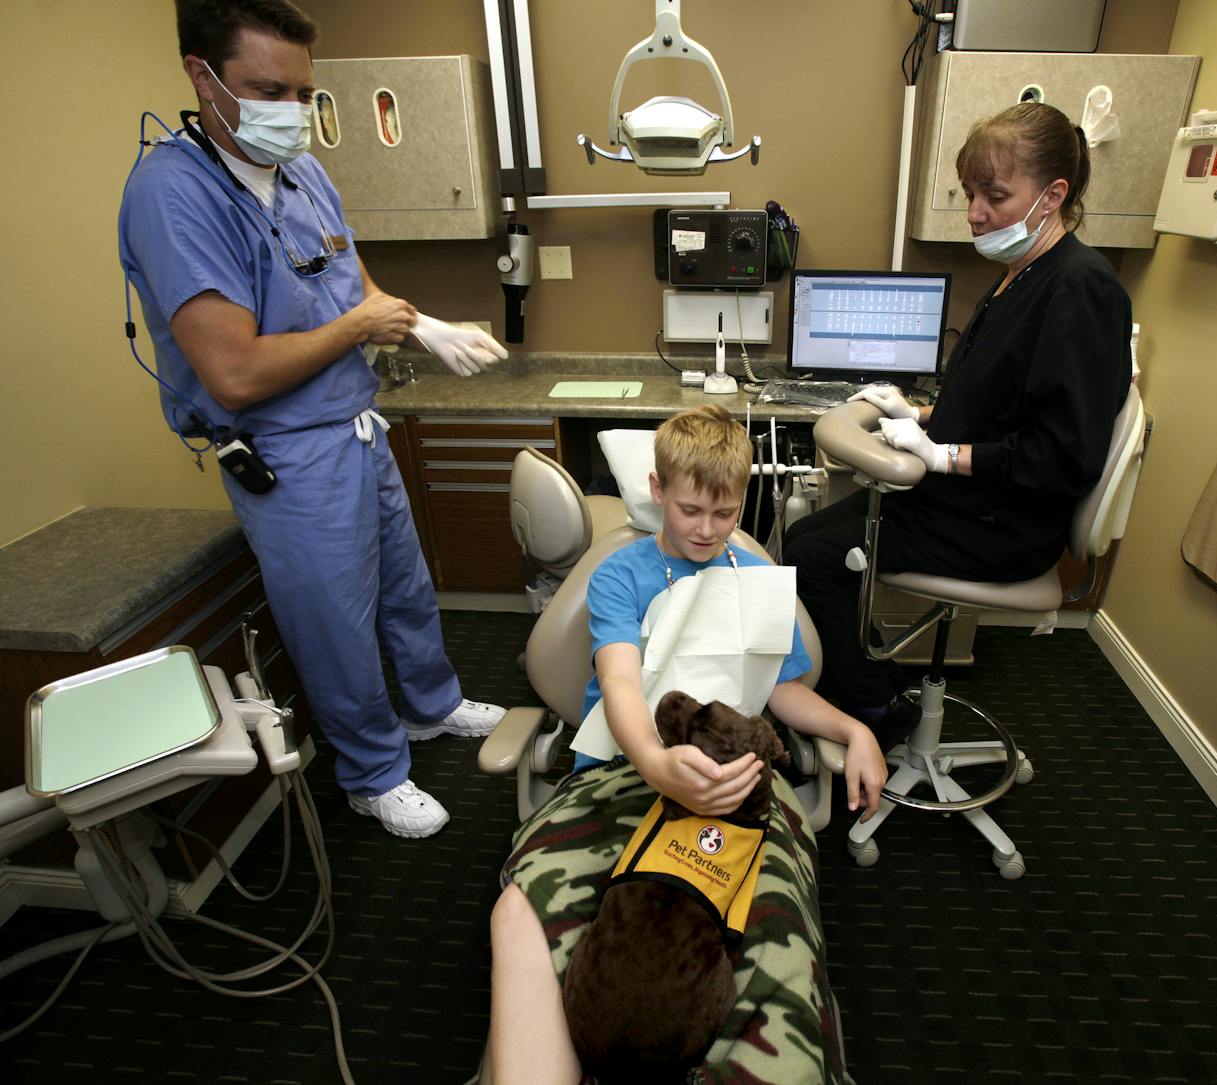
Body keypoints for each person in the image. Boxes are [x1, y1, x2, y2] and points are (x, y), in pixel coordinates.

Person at [118, 0, 513, 839]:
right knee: (333, 622)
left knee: (405, 591)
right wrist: (359, 328)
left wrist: (422, 324)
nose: (292, 113)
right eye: (269, 90)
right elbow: (232, 372)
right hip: (286, 451)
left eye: (304, 92)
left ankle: (432, 706)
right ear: (203, 75)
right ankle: (372, 771)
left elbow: (355, 284)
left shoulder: (303, 173)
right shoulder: (173, 194)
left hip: (355, 426)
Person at [487, 405, 887, 1084]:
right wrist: (655, 765)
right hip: (621, 772)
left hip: (740, 788)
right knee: (519, 910)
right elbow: (620, 683)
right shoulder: (623, 577)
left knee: (772, 932)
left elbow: (780, 690)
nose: (706, 530)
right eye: (690, 509)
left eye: (725, 513)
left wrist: (856, 728)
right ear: (659, 489)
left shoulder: (758, 588)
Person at [784, 102, 1133, 737]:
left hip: (1004, 523)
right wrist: (912, 411)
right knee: (807, 536)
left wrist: (940, 455)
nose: (975, 213)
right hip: (968, 501)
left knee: (810, 556)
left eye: (994, 196)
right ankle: (864, 688)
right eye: (970, 193)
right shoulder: (1019, 276)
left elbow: (1063, 455)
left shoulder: (1081, 289)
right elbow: (998, 401)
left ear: (1053, 195)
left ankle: (869, 712)